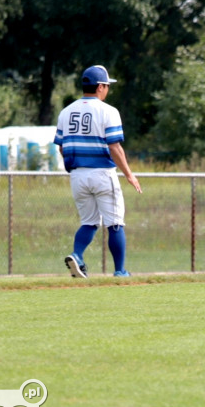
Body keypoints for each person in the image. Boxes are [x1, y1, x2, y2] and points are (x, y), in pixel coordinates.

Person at [55, 65, 142, 278]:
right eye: (107, 85)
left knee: (89, 222)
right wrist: (129, 174)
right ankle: (120, 271)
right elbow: (114, 147)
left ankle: (77, 255)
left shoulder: (66, 112)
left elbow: (61, 147)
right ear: (101, 87)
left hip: (77, 175)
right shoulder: (108, 111)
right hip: (102, 173)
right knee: (115, 223)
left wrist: (75, 168)